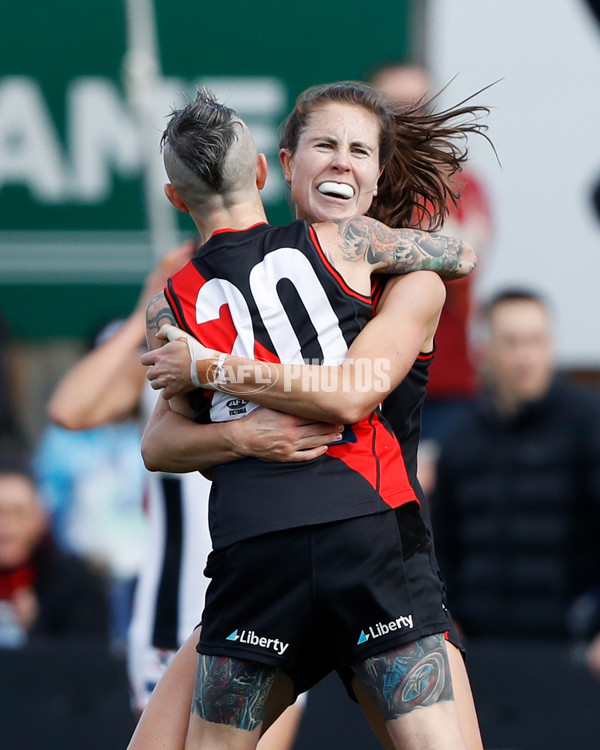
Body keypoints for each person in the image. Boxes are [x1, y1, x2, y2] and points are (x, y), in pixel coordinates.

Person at [138, 86, 481, 750]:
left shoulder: (170, 304)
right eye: (326, 147)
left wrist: (210, 369)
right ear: (276, 167)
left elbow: (351, 392)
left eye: (358, 151)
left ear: (174, 199)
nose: (341, 164)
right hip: (354, 535)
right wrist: (242, 434)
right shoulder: (350, 244)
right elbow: (159, 443)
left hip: (298, 544)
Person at [430, 289, 600, 662]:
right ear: (484, 350)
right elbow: (439, 548)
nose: (526, 356)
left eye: (536, 341)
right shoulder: (460, 440)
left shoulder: (589, 424)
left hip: (571, 650)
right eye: (511, 342)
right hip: (479, 649)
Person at [368, 61, 493, 468]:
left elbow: (463, 259)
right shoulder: (354, 184)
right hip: (362, 381)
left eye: (420, 105)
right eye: (396, 107)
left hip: (445, 385)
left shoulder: (461, 184)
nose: (410, 118)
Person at [0, 455, 109, 647]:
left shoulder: (75, 581)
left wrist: (34, 628)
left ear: (40, 517)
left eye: (18, 512)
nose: (6, 526)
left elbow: (87, 659)